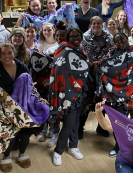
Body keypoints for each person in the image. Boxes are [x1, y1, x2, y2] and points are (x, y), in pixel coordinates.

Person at [0, 42, 33, 172]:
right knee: (11, 134)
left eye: (9, 52)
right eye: (3, 53)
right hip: (5, 108)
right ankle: (6, 156)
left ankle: (22, 153)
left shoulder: (22, 67)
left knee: (26, 133)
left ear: (14, 53)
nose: (6, 56)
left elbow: (30, 87)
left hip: (24, 106)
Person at [51, 27, 88, 165]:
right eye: (72, 36)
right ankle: (58, 151)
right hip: (68, 93)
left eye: (78, 35)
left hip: (81, 91)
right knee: (69, 123)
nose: (75, 38)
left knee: (76, 121)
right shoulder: (64, 51)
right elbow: (59, 70)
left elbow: (82, 69)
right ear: (67, 38)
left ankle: (73, 146)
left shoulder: (81, 51)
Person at [80, 16, 115, 138]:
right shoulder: (84, 37)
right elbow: (81, 53)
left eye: (99, 23)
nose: (96, 25)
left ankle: (101, 126)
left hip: (104, 74)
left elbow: (112, 54)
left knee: (103, 100)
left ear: (102, 24)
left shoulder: (109, 37)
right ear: (90, 25)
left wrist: (100, 64)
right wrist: (90, 63)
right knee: (85, 100)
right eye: (94, 23)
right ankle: (80, 127)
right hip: (87, 73)